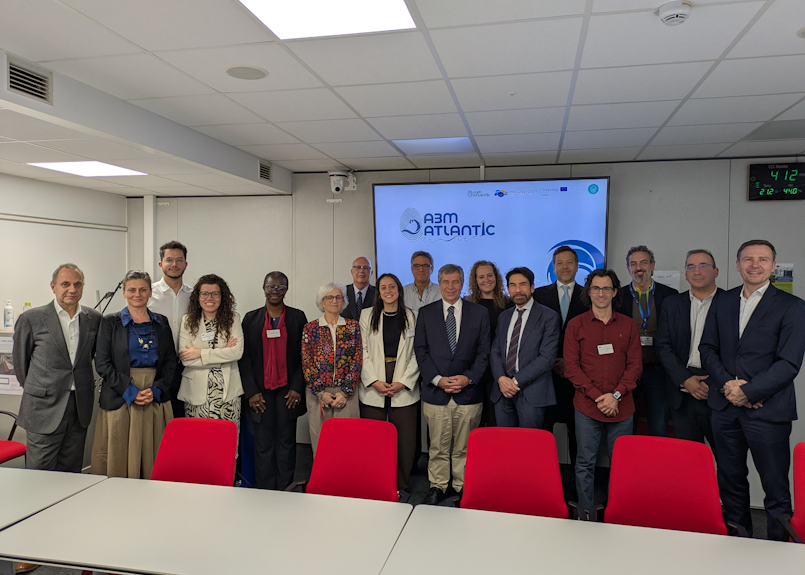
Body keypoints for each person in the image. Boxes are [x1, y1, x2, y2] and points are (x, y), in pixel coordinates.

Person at [700, 239, 805, 541]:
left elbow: (788, 363)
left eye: (762, 259)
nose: (755, 265)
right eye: (748, 259)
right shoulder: (722, 301)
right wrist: (728, 387)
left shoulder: (793, 307)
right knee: (730, 483)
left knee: (775, 489)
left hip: (769, 412)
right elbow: (707, 348)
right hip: (724, 409)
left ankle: (777, 551)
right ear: (737, 265)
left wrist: (751, 391)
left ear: (773, 266)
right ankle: (738, 545)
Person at [564, 269, 642, 517]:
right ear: (589, 292)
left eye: (606, 288)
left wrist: (615, 396)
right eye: (596, 288)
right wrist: (599, 397)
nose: (601, 293)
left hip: (622, 406)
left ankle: (617, 512)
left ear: (615, 292)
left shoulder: (629, 325)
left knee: (621, 464)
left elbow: (635, 367)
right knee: (585, 462)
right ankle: (586, 511)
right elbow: (571, 368)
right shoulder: (576, 325)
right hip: (587, 406)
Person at [12, 264, 102, 472]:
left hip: (79, 407)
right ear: (53, 286)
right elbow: (20, 366)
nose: (72, 289)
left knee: (71, 472)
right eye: (65, 284)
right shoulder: (31, 319)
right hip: (44, 408)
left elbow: (92, 357)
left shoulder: (94, 319)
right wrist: (42, 389)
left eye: (77, 284)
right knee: (39, 473)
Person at [414, 264, 490, 505]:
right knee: (437, 446)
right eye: (446, 282)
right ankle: (437, 486)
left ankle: (461, 487)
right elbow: (421, 350)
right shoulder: (426, 313)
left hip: (468, 392)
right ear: (439, 282)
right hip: (436, 393)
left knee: (464, 447)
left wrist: (468, 377)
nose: (450, 287)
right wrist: (437, 379)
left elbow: (484, 352)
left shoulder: (479, 313)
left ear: (462, 284)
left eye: (455, 282)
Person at [91, 270, 176, 479]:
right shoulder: (110, 322)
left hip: (154, 396)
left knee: (155, 456)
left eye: (142, 290)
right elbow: (102, 362)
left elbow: (170, 362)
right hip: (121, 395)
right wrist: (130, 391)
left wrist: (156, 389)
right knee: (119, 459)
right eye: (131, 290)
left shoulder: (161, 322)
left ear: (150, 293)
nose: (137, 294)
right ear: (124, 293)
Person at [240, 272, 308, 490]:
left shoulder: (298, 317)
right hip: (260, 392)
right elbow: (245, 357)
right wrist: (251, 392)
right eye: (271, 287)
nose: (275, 291)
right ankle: (266, 488)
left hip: (289, 391)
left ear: (286, 290)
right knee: (263, 442)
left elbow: (304, 355)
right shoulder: (251, 319)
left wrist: (298, 387)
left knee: (287, 441)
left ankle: (285, 486)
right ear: (263, 288)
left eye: (280, 287)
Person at [359, 273, 420, 492]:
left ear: (399, 290)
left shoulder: (411, 316)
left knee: (405, 439)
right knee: (374, 438)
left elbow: (417, 354)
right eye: (383, 287)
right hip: (375, 380)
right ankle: (375, 483)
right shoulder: (366, 315)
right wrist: (373, 380)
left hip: (402, 380)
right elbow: (362, 351)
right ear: (379, 292)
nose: (388, 291)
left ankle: (400, 485)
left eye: (392, 286)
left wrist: (403, 382)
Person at [655, 250, 722, 448]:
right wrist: (685, 379)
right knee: (689, 462)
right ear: (685, 274)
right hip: (682, 392)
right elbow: (663, 345)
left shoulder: (731, 302)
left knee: (728, 464)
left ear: (715, 271)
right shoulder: (672, 303)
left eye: (703, 265)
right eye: (691, 267)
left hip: (718, 392)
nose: (697, 271)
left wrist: (712, 383)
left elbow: (736, 350)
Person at [534, 246, 589, 479]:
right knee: (542, 436)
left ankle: (578, 489)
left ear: (577, 266)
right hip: (545, 379)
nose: (564, 267)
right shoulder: (539, 296)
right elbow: (532, 336)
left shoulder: (590, 295)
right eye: (559, 263)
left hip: (578, 379)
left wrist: (571, 363)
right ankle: (544, 481)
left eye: (569, 263)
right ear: (553, 267)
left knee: (578, 437)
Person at [618, 245, 677, 436]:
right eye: (633, 264)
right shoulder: (617, 296)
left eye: (643, 262)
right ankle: (628, 464)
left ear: (652, 265)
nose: (639, 268)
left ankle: (657, 465)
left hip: (658, 370)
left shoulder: (670, 296)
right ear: (628, 268)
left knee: (659, 424)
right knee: (626, 424)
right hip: (626, 371)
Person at [490, 267, 560, 429]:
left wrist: (514, 382)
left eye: (523, 284)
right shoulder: (504, 317)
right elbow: (495, 352)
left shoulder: (548, 316)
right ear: (508, 289)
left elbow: (547, 358)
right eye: (513, 285)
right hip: (502, 392)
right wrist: (501, 379)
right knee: (505, 446)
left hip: (532, 393)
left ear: (532, 287)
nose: (518, 290)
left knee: (530, 447)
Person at [177, 274, 244, 430]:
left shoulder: (233, 319)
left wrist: (200, 353)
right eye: (205, 293)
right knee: (198, 442)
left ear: (222, 296)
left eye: (215, 293)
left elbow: (237, 353)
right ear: (197, 297)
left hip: (228, 394)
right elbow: (187, 360)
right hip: (196, 393)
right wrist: (224, 353)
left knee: (227, 443)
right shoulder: (187, 321)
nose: (210, 298)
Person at [302, 282, 362, 455]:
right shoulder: (311, 328)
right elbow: (307, 362)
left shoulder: (353, 327)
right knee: (321, 443)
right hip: (318, 394)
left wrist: (345, 393)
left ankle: (345, 481)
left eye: (338, 297)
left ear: (343, 301)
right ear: (322, 302)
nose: (334, 301)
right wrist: (321, 393)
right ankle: (323, 481)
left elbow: (356, 360)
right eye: (329, 297)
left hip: (347, 393)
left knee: (347, 442)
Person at [148, 240, 192, 419]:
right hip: (156, 368)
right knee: (158, 420)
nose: (174, 264)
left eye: (179, 260)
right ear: (161, 264)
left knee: (182, 420)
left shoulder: (194, 295)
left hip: (187, 367)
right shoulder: (148, 294)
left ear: (186, 264)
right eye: (169, 260)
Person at [466, 260, 513, 426]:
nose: (486, 280)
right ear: (475, 280)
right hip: (476, 370)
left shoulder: (509, 304)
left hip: (500, 370)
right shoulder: (468, 305)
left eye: (489, 275)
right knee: (475, 421)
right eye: (481, 276)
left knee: (496, 420)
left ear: (496, 277)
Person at [403, 251, 441, 316]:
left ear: (432, 269)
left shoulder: (442, 291)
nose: (421, 269)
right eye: (416, 266)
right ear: (412, 269)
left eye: (425, 266)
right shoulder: (402, 292)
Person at [341, 256, 375, 320]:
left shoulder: (379, 294)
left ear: (371, 273)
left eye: (366, 268)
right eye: (358, 267)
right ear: (352, 272)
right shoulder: (342, 292)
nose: (362, 270)